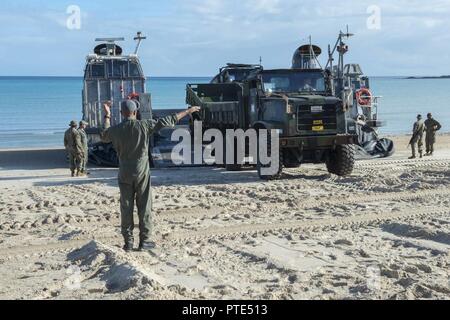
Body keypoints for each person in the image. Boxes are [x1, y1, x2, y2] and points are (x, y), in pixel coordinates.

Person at [101, 100, 201, 252]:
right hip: (141, 171)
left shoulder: (116, 130)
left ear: (122, 113)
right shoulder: (144, 125)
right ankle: (145, 241)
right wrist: (188, 111)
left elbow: (104, 136)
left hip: (124, 172)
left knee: (126, 207)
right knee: (145, 206)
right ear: (135, 112)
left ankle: (128, 242)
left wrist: (107, 116)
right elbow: (168, 120)